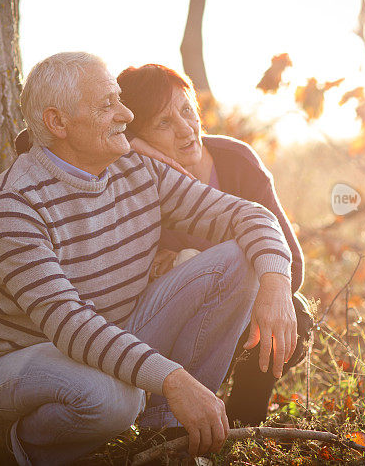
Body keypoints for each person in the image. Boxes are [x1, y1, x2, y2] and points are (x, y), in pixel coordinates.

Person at [0, 52, 298, 465]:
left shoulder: (137, 168)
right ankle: (26, 451)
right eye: (107, 105)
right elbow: (69, 325)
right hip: (26, 356)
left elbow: (247, 214)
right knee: (111, 401)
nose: (125, 113)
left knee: (239, 259)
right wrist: (175, 380)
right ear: (58, 123)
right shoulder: (13, 206)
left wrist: (276, 283)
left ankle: (166, 437)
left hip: (117, 328)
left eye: (119, 99)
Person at [115, 63, 312, 426]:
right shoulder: (128, 174)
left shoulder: (235, 160)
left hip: (241, 315)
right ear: (135, 131)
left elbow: (293, 266)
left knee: (294, 312)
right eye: (163, 123)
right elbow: (28, 142)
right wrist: (125, 144)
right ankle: (167, 422)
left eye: (187, 110)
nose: (186, 129)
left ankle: (243, 422)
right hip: (167, 326)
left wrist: (245, 283)